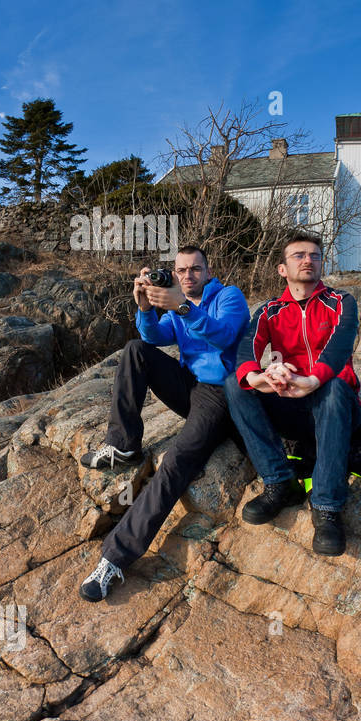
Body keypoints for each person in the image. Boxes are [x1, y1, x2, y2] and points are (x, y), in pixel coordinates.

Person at [79, 246, 250, 601]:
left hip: (222, 396)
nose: (189, 276)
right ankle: (123, 444)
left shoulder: (228, 297)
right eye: (182, 271)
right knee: (135, 351)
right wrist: (144, 309)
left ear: (208, 269)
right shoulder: (178, 300)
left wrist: (181, 306)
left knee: (174, 462)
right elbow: (153, 338)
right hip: (190, 387)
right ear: (174, 273)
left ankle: (114, 558)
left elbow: (224, 336)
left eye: (195, 270)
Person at [227, 234, 361, 556]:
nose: (308, 261)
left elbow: (340, 347)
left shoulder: (342, 302)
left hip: (335, 404)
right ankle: (278, 481)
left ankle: (327, 507)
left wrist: (313, 380)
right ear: (282, 269)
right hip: (292, 403)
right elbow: (247, 347)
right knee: (235, 383)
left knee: (334, 388)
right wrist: (256, 376)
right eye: (299, 255)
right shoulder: (270, 310)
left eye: (314, 256)